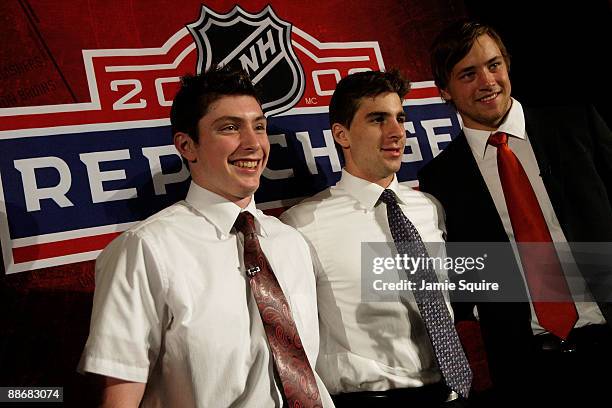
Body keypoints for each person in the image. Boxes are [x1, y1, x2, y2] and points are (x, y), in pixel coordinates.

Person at [78, 65, 334, 408]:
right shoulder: (146, 249)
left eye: (259, 126)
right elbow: (121, 397)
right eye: (230, 128)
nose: (253, 143)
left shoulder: (291, 242)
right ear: (187, 145)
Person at [418, 20, 612, 406]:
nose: (487, 81)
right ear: (445, 91)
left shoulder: (577, 124)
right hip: (529, 370)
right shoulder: (441, 178)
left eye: (494, 65)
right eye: (468, 74)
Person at [281, 70, 472, 407]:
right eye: (377, 119)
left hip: (451, 392)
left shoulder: (429, 208)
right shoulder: (302, 225)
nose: (397, 132)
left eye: (400, 118)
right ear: (342, 134)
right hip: (367, 398)